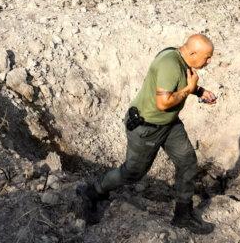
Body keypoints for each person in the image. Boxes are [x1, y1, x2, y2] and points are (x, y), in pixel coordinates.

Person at [77, 34, 217, 234]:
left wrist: (199, 91)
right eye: (207, 57)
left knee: (187, 162)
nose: (209, 61)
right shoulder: (170, 64)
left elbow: (179, 84)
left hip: (169, 124)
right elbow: (164, 102)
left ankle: (183, 215)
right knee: (132, 173)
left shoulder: (182, 57)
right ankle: (94, 191)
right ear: (192, 52)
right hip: (147, 128)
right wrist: (190, 89)